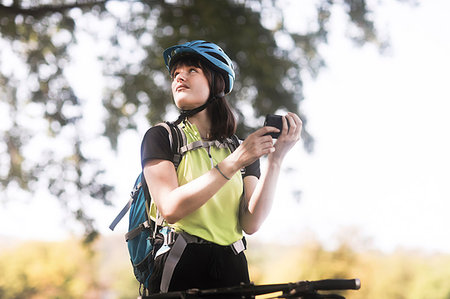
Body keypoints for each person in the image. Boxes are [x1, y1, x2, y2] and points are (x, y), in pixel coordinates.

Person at [140, 40, 302, 295]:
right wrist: (235, 161)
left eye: (192, 70)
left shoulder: (239, 148)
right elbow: (170, 208)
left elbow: (251, 222)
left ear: (217, 82)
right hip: (181, 261)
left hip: (233, 265)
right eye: (175, 74)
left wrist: (276, 159)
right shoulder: (162, 136)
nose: (179, 76)